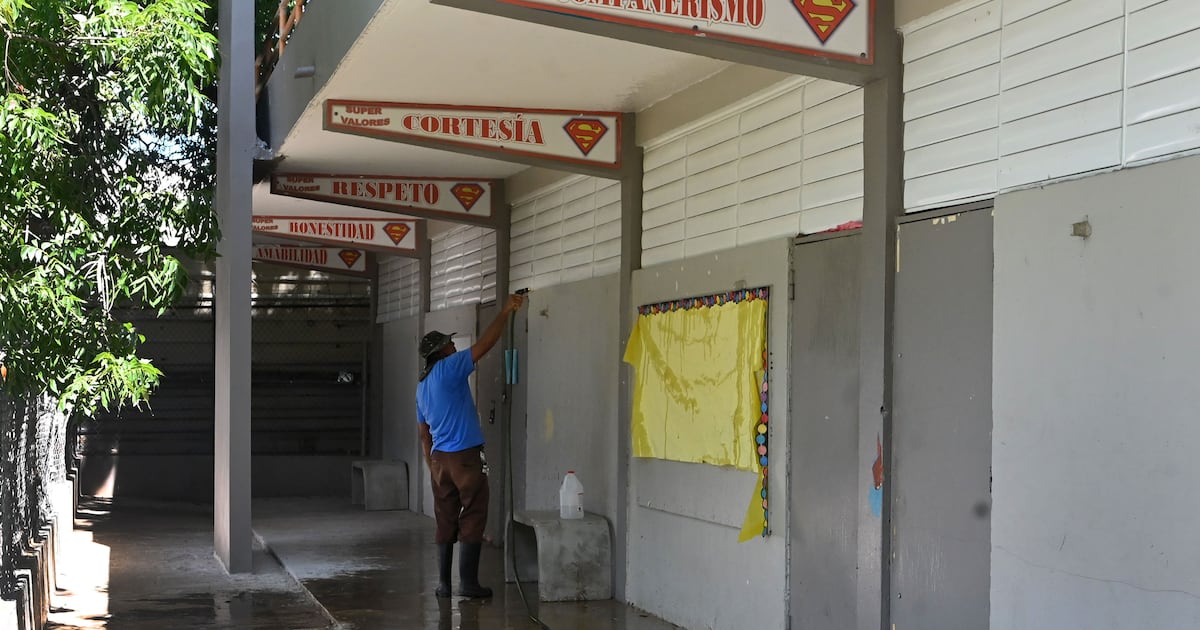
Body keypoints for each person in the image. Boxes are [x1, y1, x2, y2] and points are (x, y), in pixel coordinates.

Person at [417, 292, 524, 598]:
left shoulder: (421, 386)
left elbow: (424, 434)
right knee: (474, 513)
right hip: (464, 457)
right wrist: (505, 311)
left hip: (439, 460)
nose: (454, 347)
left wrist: (432, 465)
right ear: (441, 352)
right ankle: (468, 584)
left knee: (445, 517)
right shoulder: (450, 367)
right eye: (450, 344)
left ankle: (443, 584)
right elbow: (485, 344)